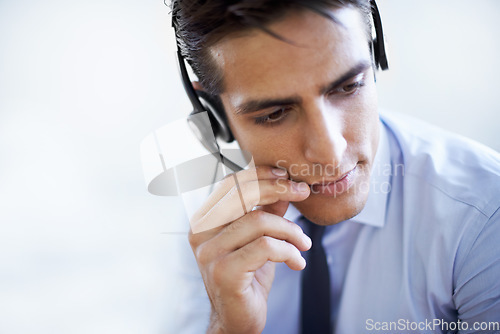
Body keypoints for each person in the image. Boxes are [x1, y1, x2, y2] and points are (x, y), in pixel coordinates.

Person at [168, 0, 500, 333]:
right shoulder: (214, 219)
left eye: (349, 86)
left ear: (375, 56)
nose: (330, 153)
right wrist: (228, 327)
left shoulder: (483, 216)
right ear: (216, 116)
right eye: (274, 114)